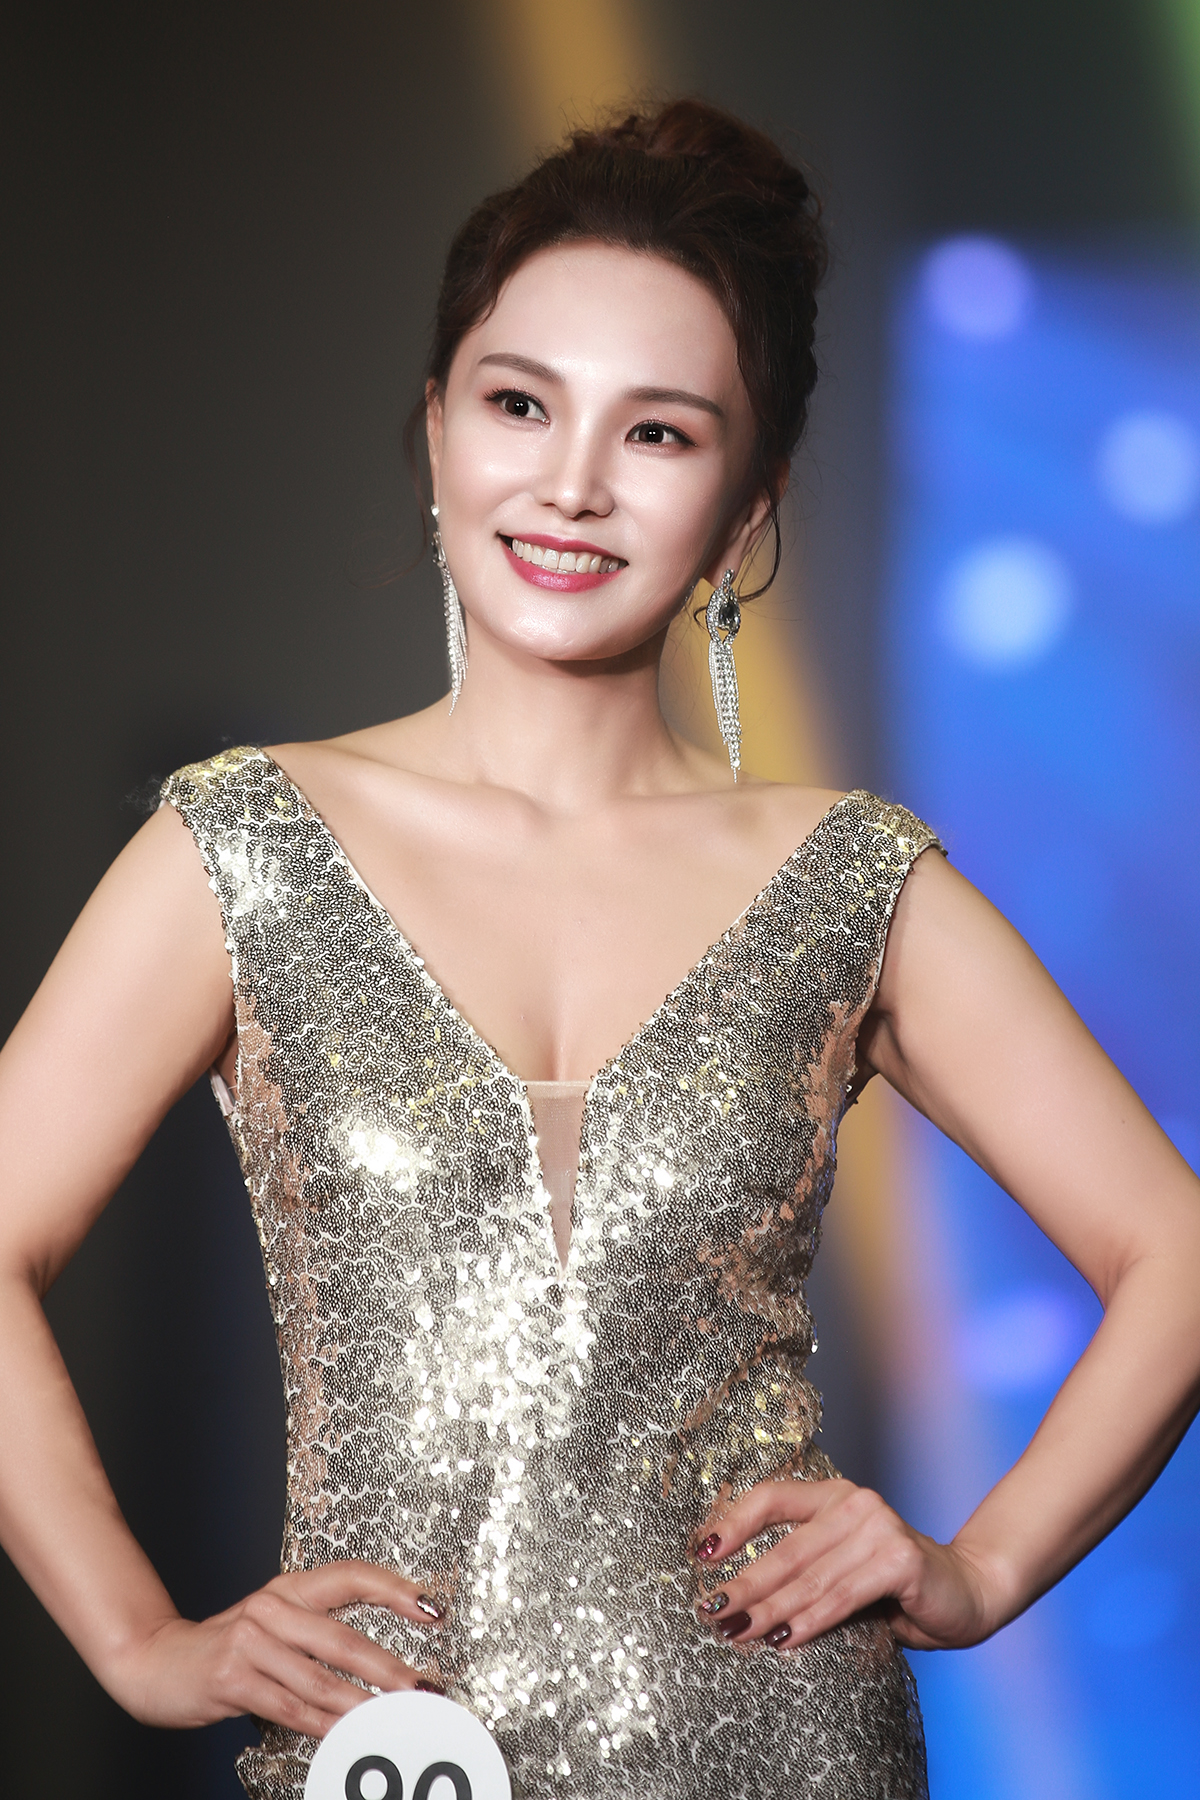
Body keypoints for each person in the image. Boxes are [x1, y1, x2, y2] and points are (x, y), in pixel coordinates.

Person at [1, 98, 1198, 1800]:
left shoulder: (848, 881)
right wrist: (137, 1640)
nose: (570, 483)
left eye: (658, 433)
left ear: (747, 506)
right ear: (434, 432)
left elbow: (1177, 1252)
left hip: (784, 1745)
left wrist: (982, 1569)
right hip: (387, 1752)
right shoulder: (241, 847)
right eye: (518, 404)